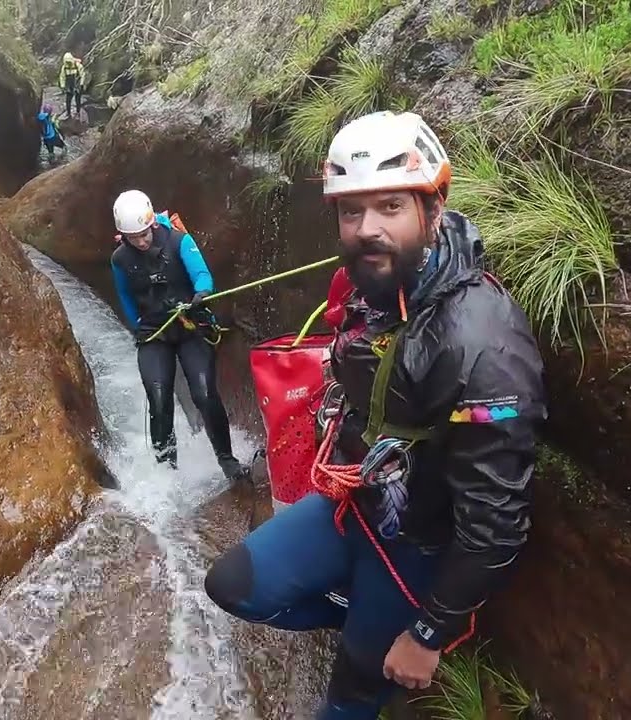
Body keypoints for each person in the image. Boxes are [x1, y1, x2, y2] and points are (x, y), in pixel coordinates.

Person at [203, 110, 546, 719]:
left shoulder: (483, 347)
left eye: (390, 207)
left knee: (354, 690)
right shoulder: (380, 288)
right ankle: (363, 611)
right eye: (351, 212)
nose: (367, 230)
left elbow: (496, 525)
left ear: (433, 209)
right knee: (233, 587)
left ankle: (377, 634)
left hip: (418, 543)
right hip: (358, 505)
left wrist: (428, 634)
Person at [109, 189, 247, 483]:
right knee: (159, 400)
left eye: (145, 234)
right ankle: (166, 472)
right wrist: (137, 325)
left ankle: (227, 460)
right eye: (134, 237)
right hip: (154, 334)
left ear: (152, 224)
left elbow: (202, 274)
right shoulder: (120, 259)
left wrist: (202, 293)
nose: (142, 241)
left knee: (204, 394)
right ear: (124, 236)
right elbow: (124, 294)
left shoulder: (178, 241)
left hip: (190, 327)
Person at [58, 51, 86, 118]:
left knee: (78, 99)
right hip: (69, 85)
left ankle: (78, 112)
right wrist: (63, 85)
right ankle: (68, 113)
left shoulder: (78, 65)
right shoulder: (64, 67)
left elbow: (82, 75)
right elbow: (62, 77)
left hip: (77, 84)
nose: (68, 63)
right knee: (68, 99)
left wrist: (81, 84)